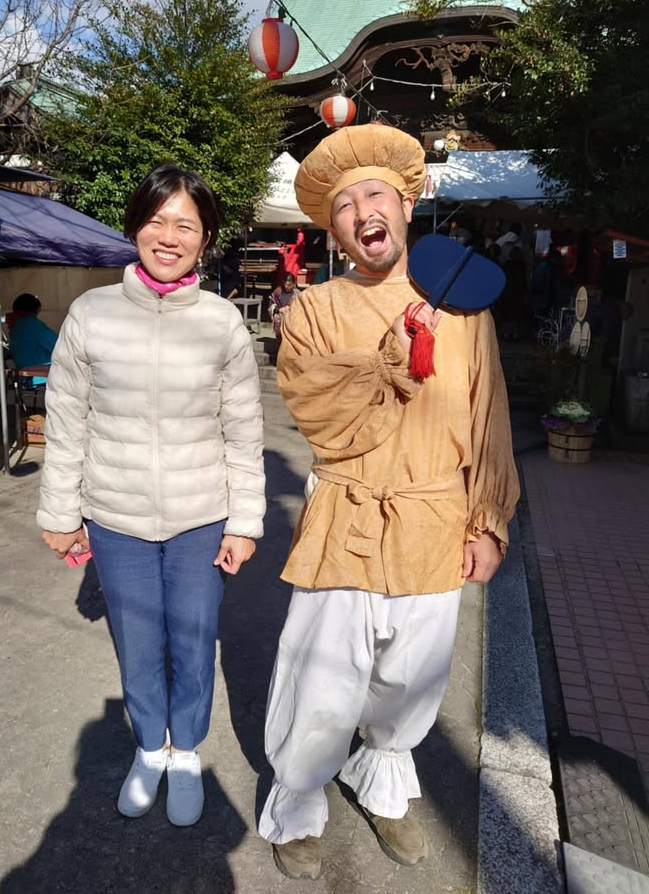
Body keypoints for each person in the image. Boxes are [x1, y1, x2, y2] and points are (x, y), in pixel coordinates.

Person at [258, 124, 519, 879]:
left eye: (375, 194)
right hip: (346, 513)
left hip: (438, 516)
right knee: (322, 676)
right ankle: (299, 804)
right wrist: (388, 361)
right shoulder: (309, 314)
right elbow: (320, 416)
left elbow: (487, 417)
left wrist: (489, 519)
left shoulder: (467, 309)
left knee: (411, 680)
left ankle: (383, 783)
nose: (361, 211)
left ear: (405, 207)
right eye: (343, 205)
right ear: (333, 231)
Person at [37, 163, 265, 827]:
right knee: (137, 643)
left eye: (185, 225)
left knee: (194, 641)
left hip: (201, 516)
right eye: (157, 220)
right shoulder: (91, 314)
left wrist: (243, 524)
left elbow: (243, 434)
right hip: (116, 517)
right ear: (137, 225)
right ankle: (150, 749)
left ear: (205, 237)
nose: (168, 236)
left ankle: (186, 750)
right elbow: (67, 421)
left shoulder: (222, 323)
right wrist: (60, 513)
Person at [6, 293, 58, 385]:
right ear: (37, 309)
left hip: (23, 374)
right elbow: (58, 346)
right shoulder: (34, 325)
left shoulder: (15, 326)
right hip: (37, 374)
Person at [268, 272, 299, 343]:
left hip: (293, 319)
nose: (286, 287)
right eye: (285, 284)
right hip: (280, 318)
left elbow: (301, 308)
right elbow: (271, 306)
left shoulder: (297, 294)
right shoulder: (277, 292)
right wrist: (279, 309)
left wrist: (290, 309)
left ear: (294, 284)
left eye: (289, 285)